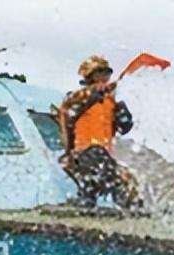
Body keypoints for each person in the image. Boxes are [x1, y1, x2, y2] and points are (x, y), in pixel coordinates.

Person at [56, 55, 143, 210]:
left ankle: (127, 211)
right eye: (99, 74)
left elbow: (124, 129)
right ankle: (88, 203)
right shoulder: (77, 97)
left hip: (104, 155)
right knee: (109, 177)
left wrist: (122, 114)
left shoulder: (111, 102)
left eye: (106, 74)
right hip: (84, 153)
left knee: (130, 185)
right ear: (89, 77)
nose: (103, 77)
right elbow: (67, 114)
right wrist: (92, 95)